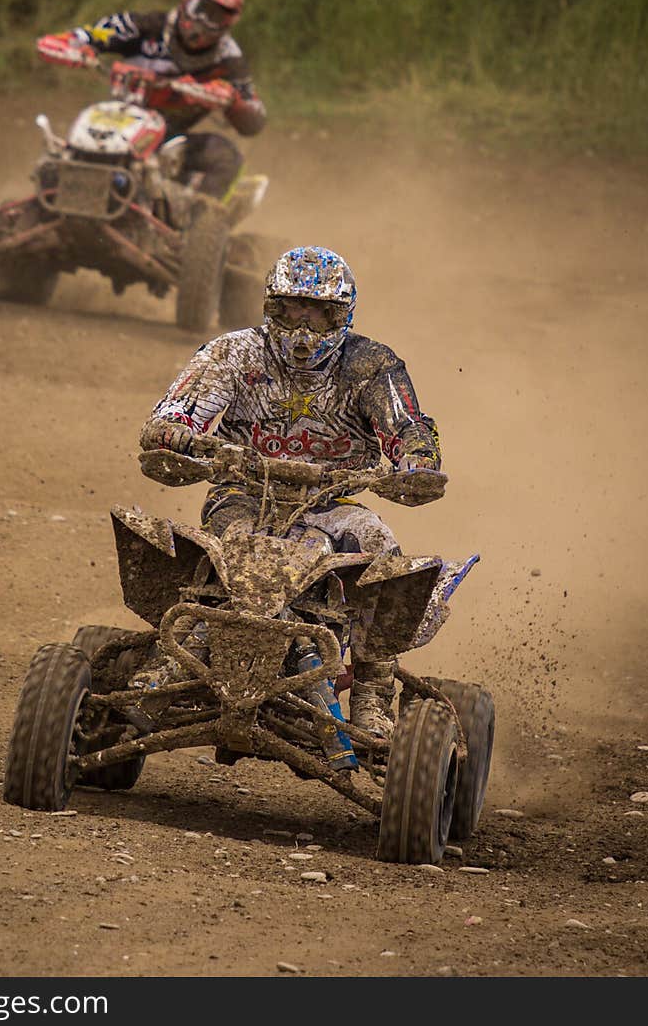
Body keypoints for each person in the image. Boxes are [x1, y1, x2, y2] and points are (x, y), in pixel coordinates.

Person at [139, 245, 442, 735]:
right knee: (224, 550)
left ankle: (372, 694)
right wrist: (177, 433)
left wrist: (417, 461)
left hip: (334, 505)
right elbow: (174, 413)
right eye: (294, 309)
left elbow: (408, 427)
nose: (305, 329)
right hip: (242, 493)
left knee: (383, 551)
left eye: (321, 314)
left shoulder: (372, 365)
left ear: (342, 315)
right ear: (272, 306)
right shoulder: (234, 352)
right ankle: (175, 658)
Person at [37, 0, 265, 200]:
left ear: (229, 23)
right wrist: (69, 47)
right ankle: (41, 205)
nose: (205, 23)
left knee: (226, 157)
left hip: (171, 141)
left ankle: (200, 231)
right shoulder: (142, 26)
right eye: (200, 10)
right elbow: (88, 34)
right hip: (118, 122)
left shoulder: (228, 58)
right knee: (57, 158)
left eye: (216, 18)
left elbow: (254, 119)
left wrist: (232, 100)